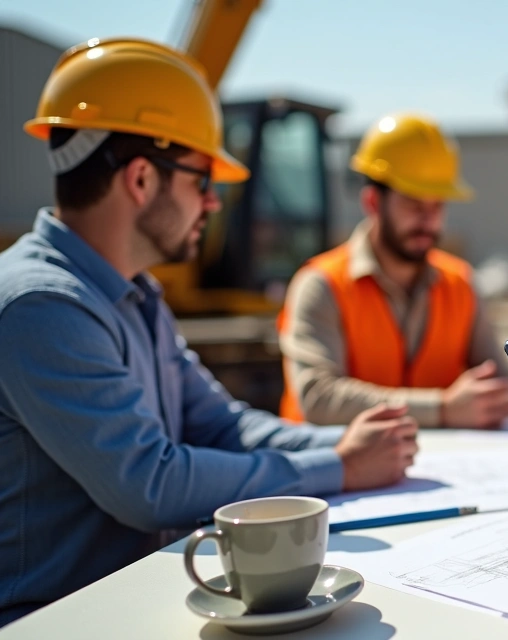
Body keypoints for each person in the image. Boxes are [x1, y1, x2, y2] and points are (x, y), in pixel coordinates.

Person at [0, 39, 418, 627]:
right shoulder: (42, 305)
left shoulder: (136, 295)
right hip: (53, 622)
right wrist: (342, 468)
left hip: (125, 603)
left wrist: (348, 445)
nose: (213, 205)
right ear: (142, 179)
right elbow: (150, 483)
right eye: (203, 182)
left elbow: (223, 425)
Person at [278, 113, 508, 429]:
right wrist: (442, 408)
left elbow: (506, 389)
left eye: (437, 206)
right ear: (373, 203)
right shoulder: (321, 285)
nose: (428, 221)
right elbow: (318, 399)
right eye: (413, 204)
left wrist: (497, 398)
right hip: (333, 471)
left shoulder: (460, 284)